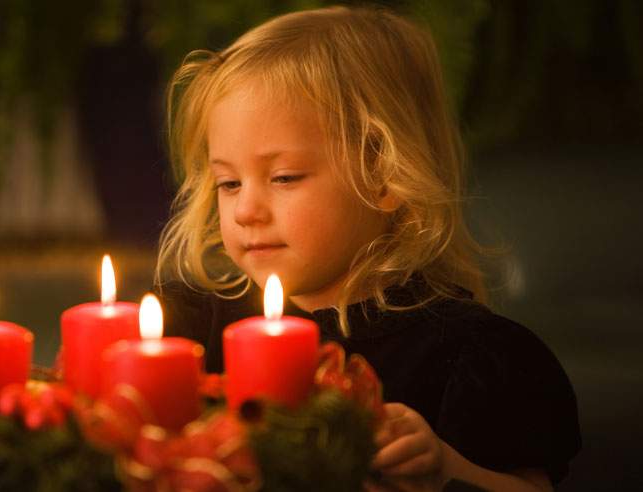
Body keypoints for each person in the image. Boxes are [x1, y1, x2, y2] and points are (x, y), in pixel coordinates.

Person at [152, 5, 580, 492]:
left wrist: (446, 467)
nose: (246, 210)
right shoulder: (186, 334)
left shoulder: (469, 357)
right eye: (228, 182)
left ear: (385, 176)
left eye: (284, 177)